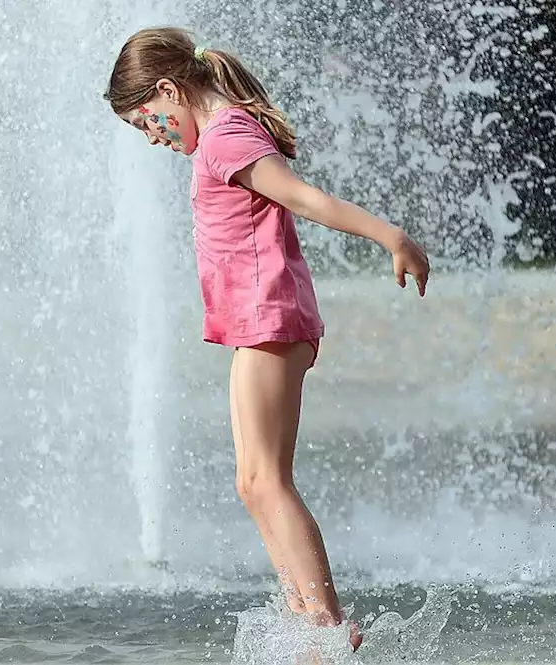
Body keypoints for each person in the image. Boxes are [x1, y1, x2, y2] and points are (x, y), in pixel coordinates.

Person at [105, 28, 430, 650]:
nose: (152, 138)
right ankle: (307, 614)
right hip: (259, 321)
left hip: (268, 316)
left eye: (149, 122)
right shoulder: (224, 137)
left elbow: (306, 198)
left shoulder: (227, 138)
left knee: (266, 480)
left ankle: (326, 628)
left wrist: (390, 235)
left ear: (170, 90)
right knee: (254, 481)